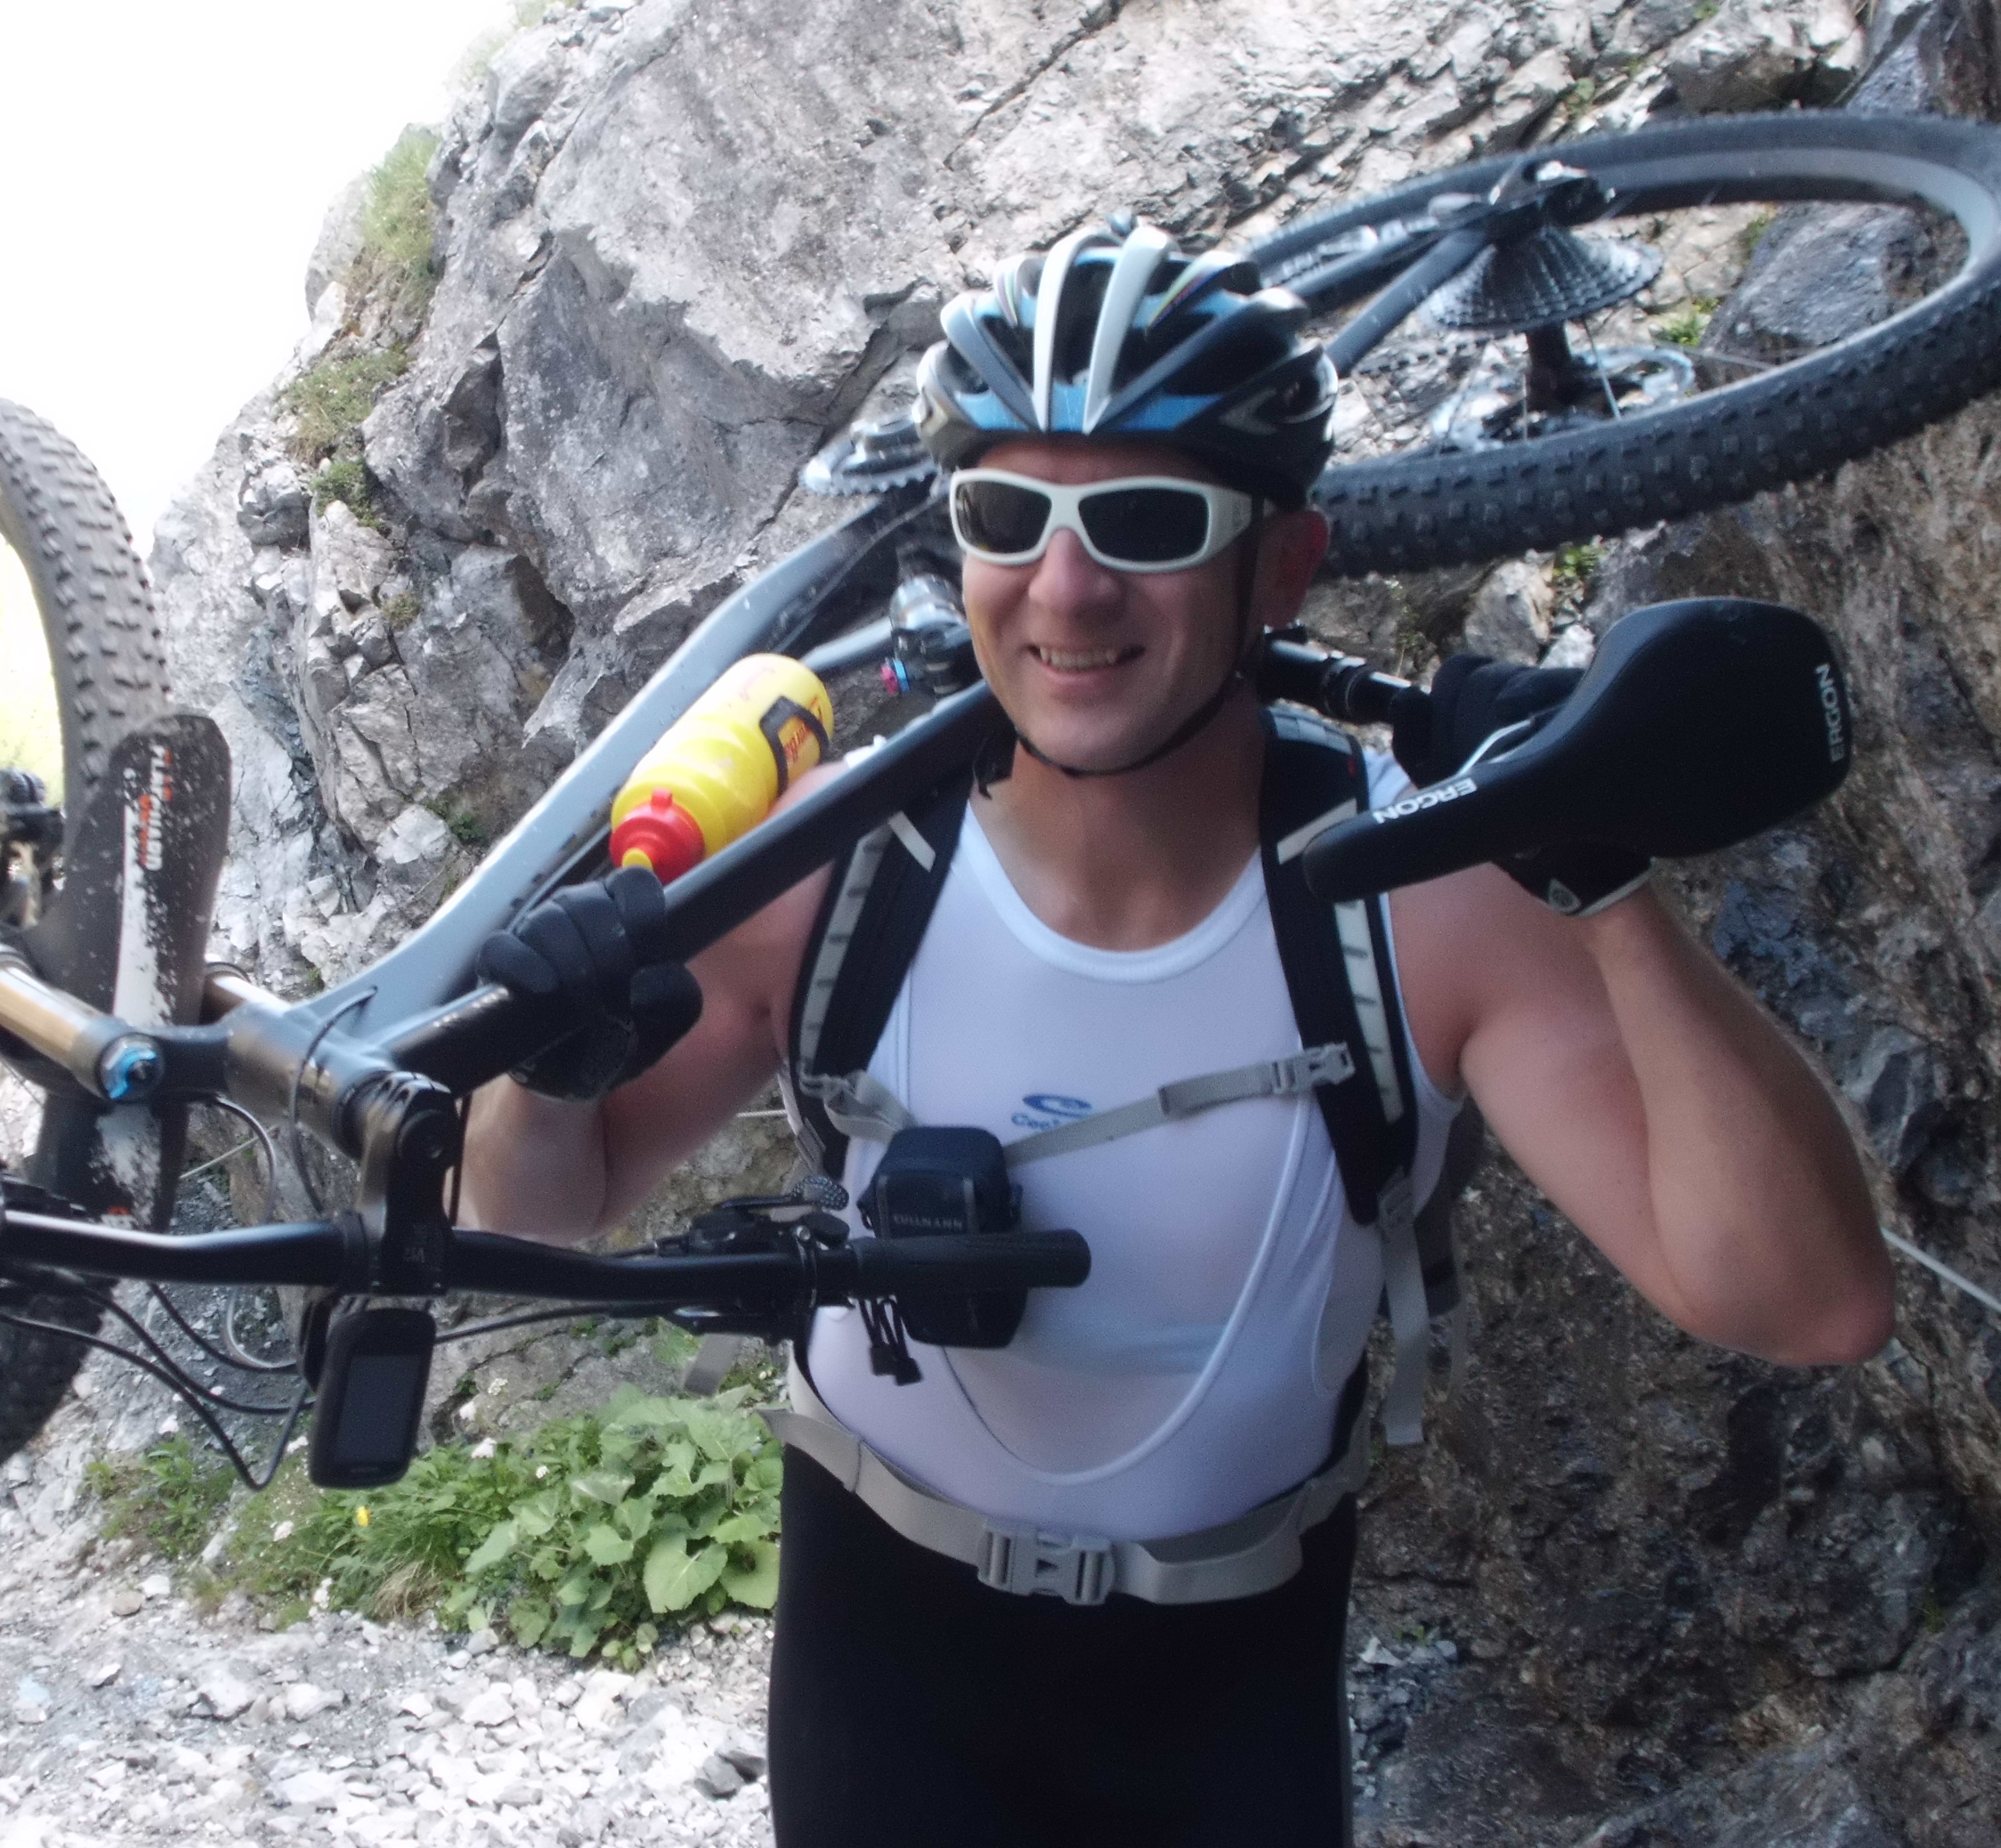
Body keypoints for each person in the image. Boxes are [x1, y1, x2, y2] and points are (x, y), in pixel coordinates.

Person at [457, 216, 1893, 1846]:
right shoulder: (838, 872)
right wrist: (545, 1072)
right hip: (885, 1665)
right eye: (1008, 517)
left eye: (1146, 521)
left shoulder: (1423, 902)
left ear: (1282, 564)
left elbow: (1806, 1299)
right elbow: (535, 1209)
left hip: (1227, 1688)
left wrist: (1604, 876)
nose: (1066, 587)